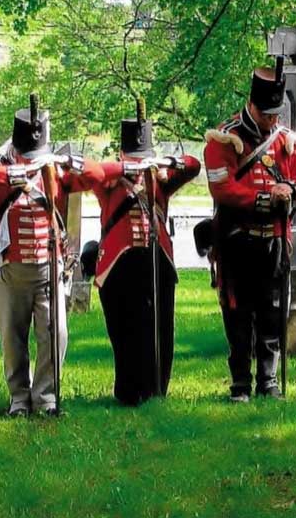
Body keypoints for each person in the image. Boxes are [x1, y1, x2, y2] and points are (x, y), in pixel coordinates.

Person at [0, 105, 103, 417]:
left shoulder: (54, 169)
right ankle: (19, 398)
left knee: (55, 334)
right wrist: (21, 171)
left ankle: (45, 397)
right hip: (9, 270)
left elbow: (97, 175)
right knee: (12, 337)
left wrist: (64, 160)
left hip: (48, 267)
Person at [204, 56, 296, 403]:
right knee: (238, 314)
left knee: (272, 313)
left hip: (275, 242)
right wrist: (266, 197)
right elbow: (221, 188)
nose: (271, 120)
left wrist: (291, 191)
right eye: (266, 113)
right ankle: (240, 383)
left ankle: (268, 380)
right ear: (252, 104)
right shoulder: (226, 138)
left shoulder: (286, 140)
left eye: (275, 114)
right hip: (238, 241)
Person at [91, 111, 200, 405]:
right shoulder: (112, 181)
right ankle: (128, 392)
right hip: (120, 262)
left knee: (160, 328)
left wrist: (164, 164)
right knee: (125, 329)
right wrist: (125, 167)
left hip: (156, 259)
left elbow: (193, 165)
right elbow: (92, 173)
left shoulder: (158, 178)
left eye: (144, 156)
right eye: (136, 156)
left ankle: (156, 390)